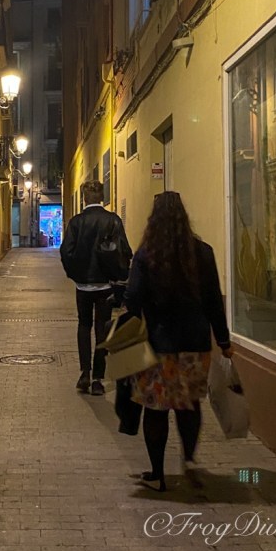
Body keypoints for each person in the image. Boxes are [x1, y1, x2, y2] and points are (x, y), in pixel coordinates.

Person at [123, 190, 233, 492]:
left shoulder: (145, 255)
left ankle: (157, 474)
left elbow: (133, 300)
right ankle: (189, 459)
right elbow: (214, 302)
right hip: (195, 345)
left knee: (156, 409)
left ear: (153, 219)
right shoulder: (203, 253)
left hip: (157, 346)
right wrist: (224, 341)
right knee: (189, 404)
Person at [60, 179, 132, 396]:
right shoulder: (112, 220)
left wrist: (76, 275)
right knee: (102, 329)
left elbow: (66, 252)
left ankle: (84, 373)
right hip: (106, 286)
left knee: (84, 326)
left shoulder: (76, 222)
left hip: (83, 287)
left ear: (84, 198)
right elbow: (124, 251)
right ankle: (98, 380)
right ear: (101, 197)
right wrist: (118, 276)